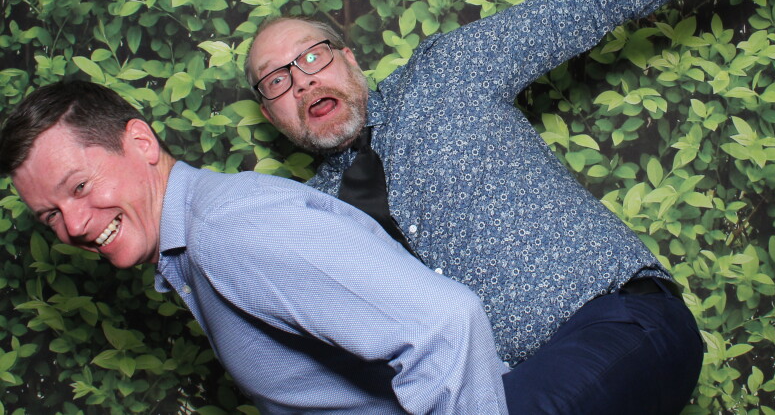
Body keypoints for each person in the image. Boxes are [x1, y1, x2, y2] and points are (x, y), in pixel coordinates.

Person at [245, 0, 775, 413]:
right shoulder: (317, 221)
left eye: (311, 56)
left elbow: (584, 4)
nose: (301, 82)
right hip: (496, 392)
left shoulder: (444, 75)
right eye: (276, 81)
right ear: (273, 116)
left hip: (616, 321)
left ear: (349, 58)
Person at [0, 81, 511, 414]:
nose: (74, 225)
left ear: (141, 143)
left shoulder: (225, 230)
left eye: (80, 187)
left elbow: (445, 325)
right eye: (51, 215)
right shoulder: (194, 243)